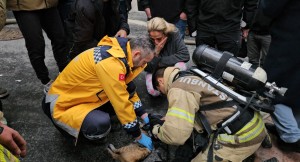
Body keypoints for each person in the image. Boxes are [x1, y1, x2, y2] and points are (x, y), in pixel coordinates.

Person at [42, 35, 155, 151]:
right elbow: (121, 101)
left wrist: (143, 115)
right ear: (136, 54)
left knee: (128, 87)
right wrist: (138, 135)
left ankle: (95, 121)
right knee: (99, 123)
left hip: (81, 95)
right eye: (144, 62)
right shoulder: (111, 64)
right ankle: (83, 137)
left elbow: (127, 88)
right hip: (61, 104)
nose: (143, 66)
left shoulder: (120, 52)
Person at [151, 66, 267, 161]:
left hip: (243, 138)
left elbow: (176, 137)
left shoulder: (177, 88)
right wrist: (173, 118)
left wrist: (157, 131)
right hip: (255, 121)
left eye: (159, 90)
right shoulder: (195, 72)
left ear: (160, 81)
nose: (163, 93)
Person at [6, 0, 70, 94]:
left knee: (60, 39)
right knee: (36, 45)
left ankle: (65, 73)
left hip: (49, 3)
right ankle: (46, 81)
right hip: (24, 6)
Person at [261, 0, 300, 152]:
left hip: (290, 40)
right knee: (296, 87)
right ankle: (293, 129)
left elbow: (269, 7)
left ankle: (291, 136)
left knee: (272, 87)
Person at [185, 0, 258, 56]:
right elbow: (191, 4)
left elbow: (251, 5)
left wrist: (246, 24)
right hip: (206, 27)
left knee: (227, 66)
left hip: (230, 27)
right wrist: (193, 27)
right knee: (204, 65)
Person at [66, 0, 131, 59]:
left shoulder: (113, 2)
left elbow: (121, 16)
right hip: (85, 52)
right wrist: (108, 47)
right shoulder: (85, 6)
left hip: (104, 44)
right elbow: (83, 42)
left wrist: (123, 29)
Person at [145, 17, 190, 96]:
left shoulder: (174, 35)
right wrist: (156, 52)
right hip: (156, 70)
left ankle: (176, 88)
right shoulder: (147, 40)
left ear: (166, 34)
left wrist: (159, 61)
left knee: (181, 65)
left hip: (171, 67)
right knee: (154, 92)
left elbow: (185, 55)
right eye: (153, 39)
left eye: (159, 39)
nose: (155, 42)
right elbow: (147, 67)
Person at [247, 0, 271, 67]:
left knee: (267, 62)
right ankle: (252, 77)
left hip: (268, 34)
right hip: (252, 31)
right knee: (251, 62)